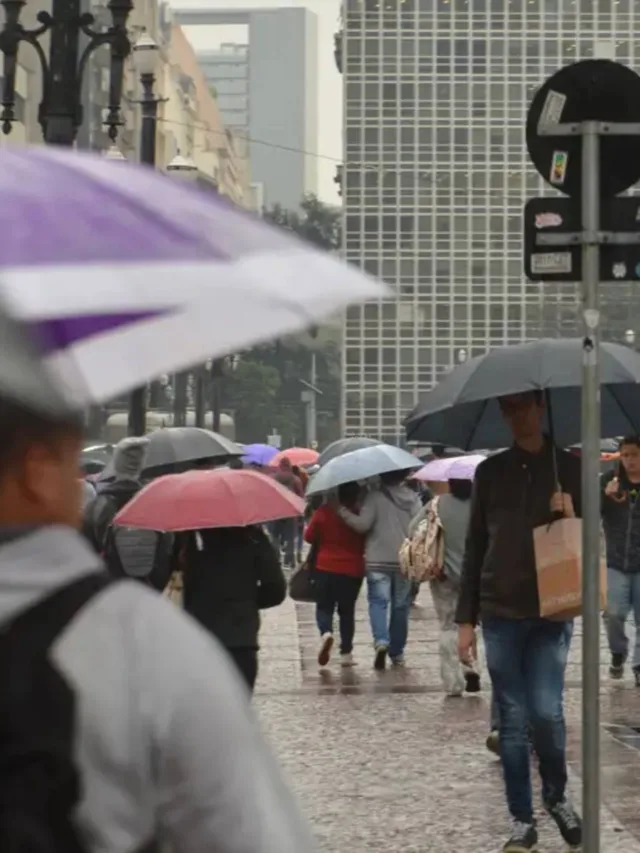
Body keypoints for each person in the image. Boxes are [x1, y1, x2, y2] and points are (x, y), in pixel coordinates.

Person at [0, 370, 315, 848]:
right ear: (40, 469)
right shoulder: (137, 642)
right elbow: (243, 830)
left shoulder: (169, 556)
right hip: (235, 640)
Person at [456, 390, 582, 853]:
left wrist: (573, 512)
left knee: (547, 714)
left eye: (523, 406)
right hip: (500, 610)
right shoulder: (490, 472)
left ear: (542, 407)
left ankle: (556, 796)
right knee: (512, 720)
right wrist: (465, 619)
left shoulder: (569, 467)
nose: (516, 416)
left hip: (552, 608)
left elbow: (591, 538)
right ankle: (521, 820)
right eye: (507, 409)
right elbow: (474, 547)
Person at [180, 525, 287, 691]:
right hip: (241, 640)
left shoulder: (189, 538)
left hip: (199, 638)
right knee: (239, 710)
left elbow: (173, 583)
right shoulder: (253, 537)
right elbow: (276, 590)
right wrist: (247, 601)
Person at [337, 470, 421, 670]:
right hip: (404, 560)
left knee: (378, 602)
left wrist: (343, 511)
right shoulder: (413, 498)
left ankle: (381, 641)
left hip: (377, 560)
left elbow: (362, 525)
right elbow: (419, 528)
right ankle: (397, 651)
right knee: (401, 607)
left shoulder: (374, 497)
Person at [416, 475, 479, 697]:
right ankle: (471, 665)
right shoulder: (480, 504)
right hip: (475, 576)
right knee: (471, 623)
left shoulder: (436, 504)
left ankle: (453, 682)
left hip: (443, 574)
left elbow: (412, 529)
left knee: (447, 626)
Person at [82, 436, 172, 592]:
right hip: (149, 590)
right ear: (141, 465)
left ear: (116, 464)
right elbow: (167, 550)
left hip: (111, 589)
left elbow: (86, 551)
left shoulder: (97, 506)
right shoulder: (154, 503)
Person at [305, 482, 365, 668]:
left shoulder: (324, 511)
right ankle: (346, 653)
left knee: (324, 606)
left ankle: (326, 633)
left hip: (325, 567)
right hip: (353, 569)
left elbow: (309, 537)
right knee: (347, 612)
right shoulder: (359, 514)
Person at [602, 437, 640, 683]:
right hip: (616, 561)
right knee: (613, 613)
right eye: (625, 455)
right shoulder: (609, 481)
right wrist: (604, 496)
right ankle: (618, 652)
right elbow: (590, 512)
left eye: (634, 455)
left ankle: (639, 667)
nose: (629, 460)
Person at [271, 457, 303, 567]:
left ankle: (276, 557)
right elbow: (300, 496)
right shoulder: (295, 479)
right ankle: (290, 559)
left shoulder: (273, 478)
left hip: (276, 511)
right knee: (290, 537)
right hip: (291, 511)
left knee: (275, 536)